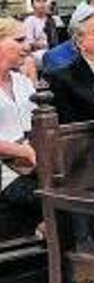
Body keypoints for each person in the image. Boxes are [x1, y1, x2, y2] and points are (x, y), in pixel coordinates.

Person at [0, 17, 39, 240]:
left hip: (31, 166)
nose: (28, 46)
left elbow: (37, 122)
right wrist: (22, 151)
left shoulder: (22, 82)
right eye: (19, 40)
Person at [23, 0, 62, 64]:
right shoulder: (30, 21)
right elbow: (28, 43)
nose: (42, 4)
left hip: (53, 50)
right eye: (38, 1)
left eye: (44, 0)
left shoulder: (52, 19)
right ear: (32, 5)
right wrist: (40, 44)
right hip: (37, 54)